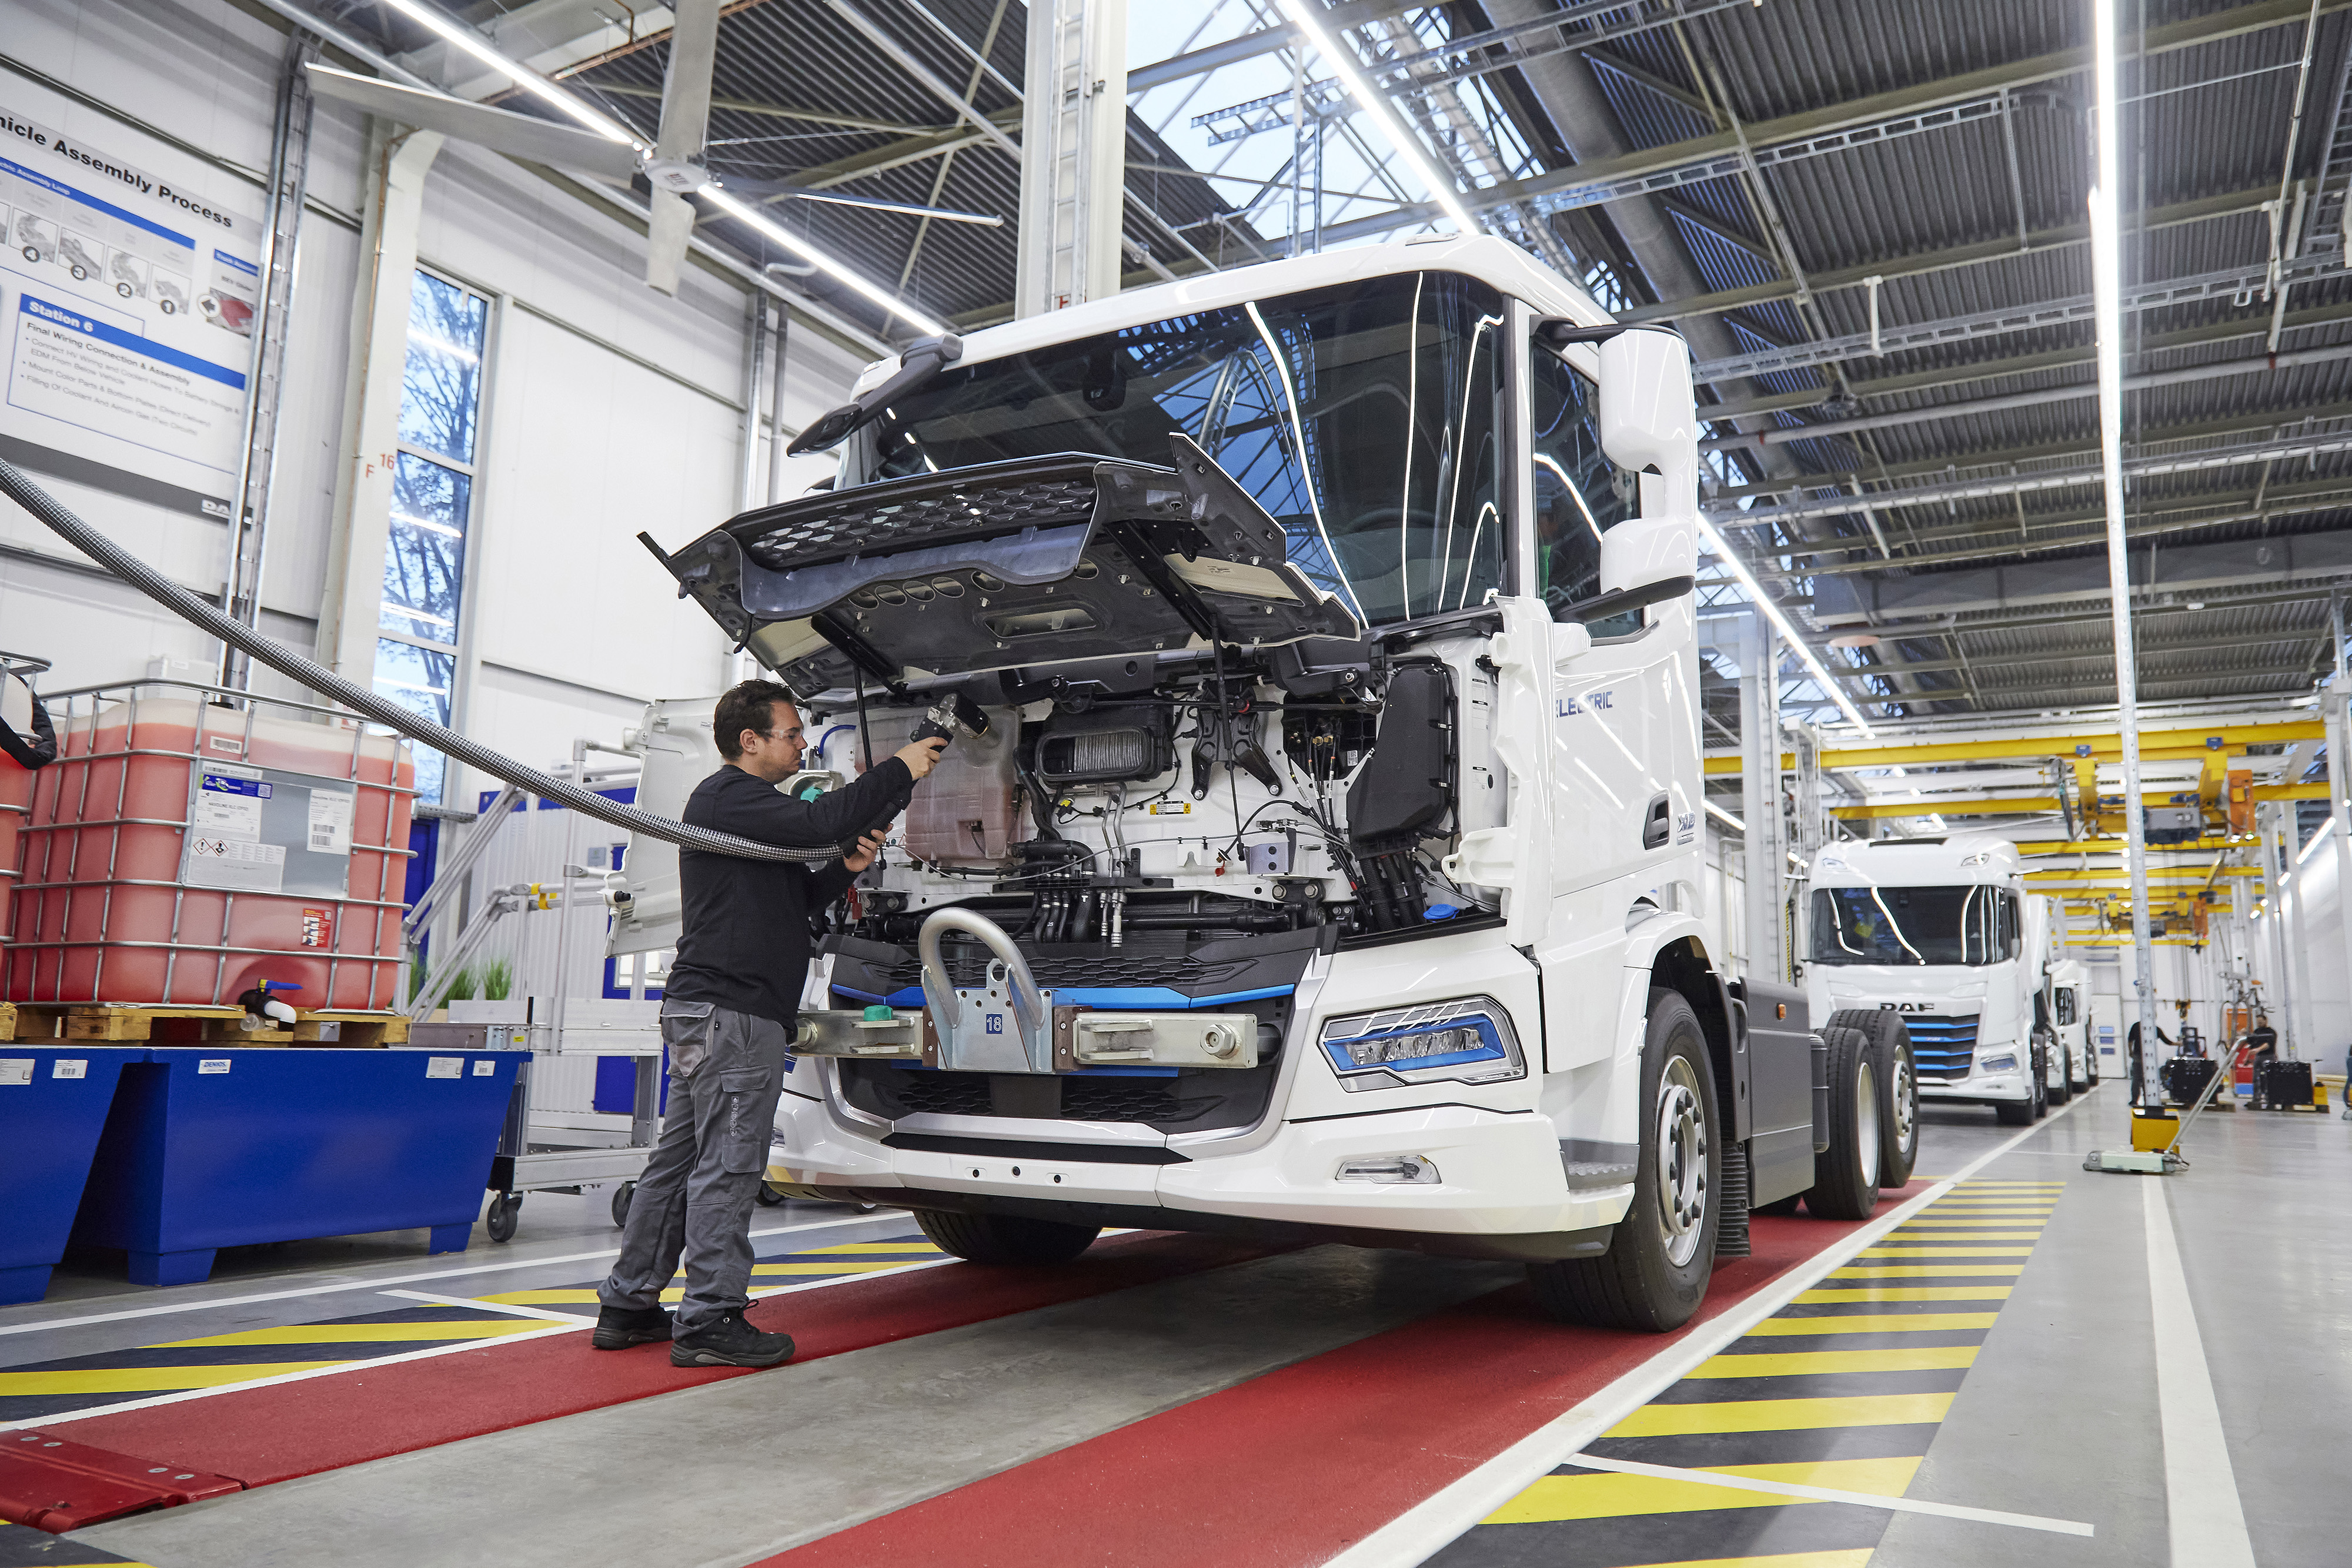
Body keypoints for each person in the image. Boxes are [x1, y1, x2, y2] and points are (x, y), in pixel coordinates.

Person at [593, 679, 944, 1368]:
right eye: (792, 733)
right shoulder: (728, 796)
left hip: (708, 1011)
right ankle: (710, 1317)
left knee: (679, 1161)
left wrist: (842, 868)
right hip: (733, 1015)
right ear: (749, 740)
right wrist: (902, 765)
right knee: (729, 1165)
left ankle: (629, 1304)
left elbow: (790, 899)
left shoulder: (746, 814)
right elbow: (821, 821)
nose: (803, 744)